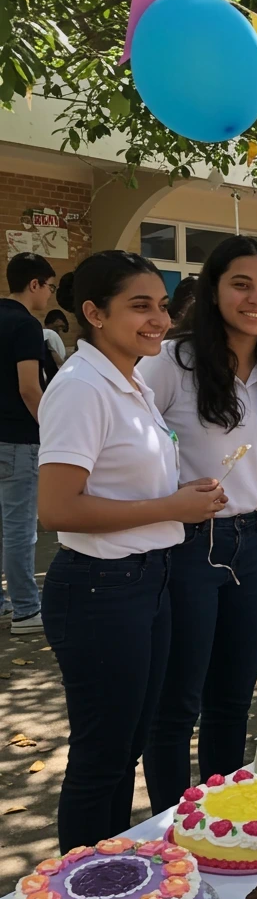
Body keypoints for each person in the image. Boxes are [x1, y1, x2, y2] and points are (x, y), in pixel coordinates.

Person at [37, 251, 226, 850]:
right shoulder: (80, 388)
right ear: (93, 312)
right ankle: (83, 898)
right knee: (103, 756)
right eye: (139, 306)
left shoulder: (133, 382)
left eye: (163, 305)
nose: (158, 320)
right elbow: (58, 508)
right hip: (98, 589)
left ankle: (115, 869)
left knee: (129, 744)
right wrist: (172, 508)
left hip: (151, 579)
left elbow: (123, 484)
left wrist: (179, 496)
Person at [139, 236, 257, 812]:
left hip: (254, 542)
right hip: (186, 546)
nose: (255, 299)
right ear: (213, 290)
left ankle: (221, 815)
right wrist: (165, 495)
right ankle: (169, 825)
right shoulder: (170, 362)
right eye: (241, 284)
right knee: (176, 703)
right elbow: (127, 444)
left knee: (233, 699)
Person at [1, 252, 53, 633]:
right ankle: (25, 610)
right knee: (20, 528)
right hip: (19, 439)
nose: (50, 295)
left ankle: (5, 605)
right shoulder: (26, 326)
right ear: (33, 284)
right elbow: (30, 388)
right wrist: (52, 430)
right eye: (49, 287)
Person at [42, 308, 69, 383]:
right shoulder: (50, 335)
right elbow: (59, 360)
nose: (59, 330)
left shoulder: (41, 335)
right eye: (58, 327)